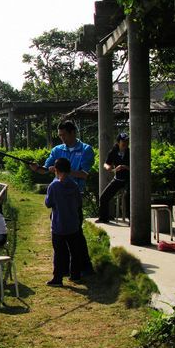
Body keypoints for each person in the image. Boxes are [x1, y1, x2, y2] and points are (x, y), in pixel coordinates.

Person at [29, 119, 94, 274]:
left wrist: (62, 171)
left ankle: (83, 267)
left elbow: (84, 174)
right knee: (59, 234)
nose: (62, 138)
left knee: (76, 233)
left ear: (73, 132)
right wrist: (37, 168)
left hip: (74, 196)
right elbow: (46, 169)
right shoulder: (57, 150)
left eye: (64, 134)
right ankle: (64, 269)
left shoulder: (86, 150)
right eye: (59, 135)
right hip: (58, 198)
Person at [45, 158, 83, 286]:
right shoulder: (74, 185)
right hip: (73, 224)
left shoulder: (54, 186)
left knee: (59, 253)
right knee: (75, 251)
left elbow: (48, 203)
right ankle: (75, 275)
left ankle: (58, 278)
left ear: (56, 170)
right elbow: (79, 203)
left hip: (58, 225)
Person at [96, 132, 130, 223]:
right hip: (118, 179)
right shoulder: (113, 152)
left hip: (129, 180)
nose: (125, 145)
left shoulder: (130, 152)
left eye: (127, 143)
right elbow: (106, 164)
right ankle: (103, 218)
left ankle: (132, 219)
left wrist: (125, 167)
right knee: (103, 197)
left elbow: (136, 167)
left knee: (129, 197)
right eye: (123, 143)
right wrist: (110, 168)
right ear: (118, 143)